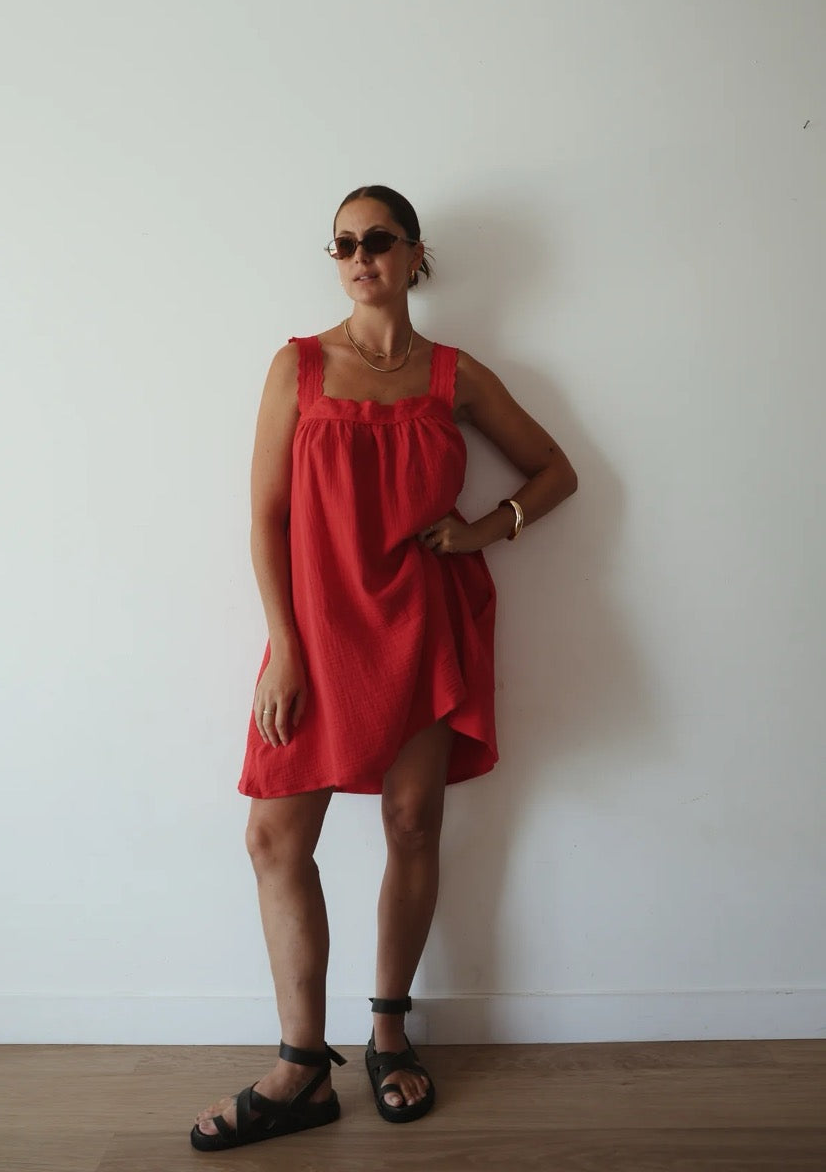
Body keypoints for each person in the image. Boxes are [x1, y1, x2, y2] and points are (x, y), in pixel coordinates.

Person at [191, 185, 578, 1152]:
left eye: (377, 240)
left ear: (415, 255)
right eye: (342, 244)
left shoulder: (455, 375)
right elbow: (266, 519)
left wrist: (484, 529)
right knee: (274, 839)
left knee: (412, 824)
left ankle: (390, 1032)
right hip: (316, 636)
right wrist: (284, 648)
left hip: (418, 626)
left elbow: (556, 471)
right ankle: (299, 1068)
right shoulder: (298, 367)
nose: (358, 256)